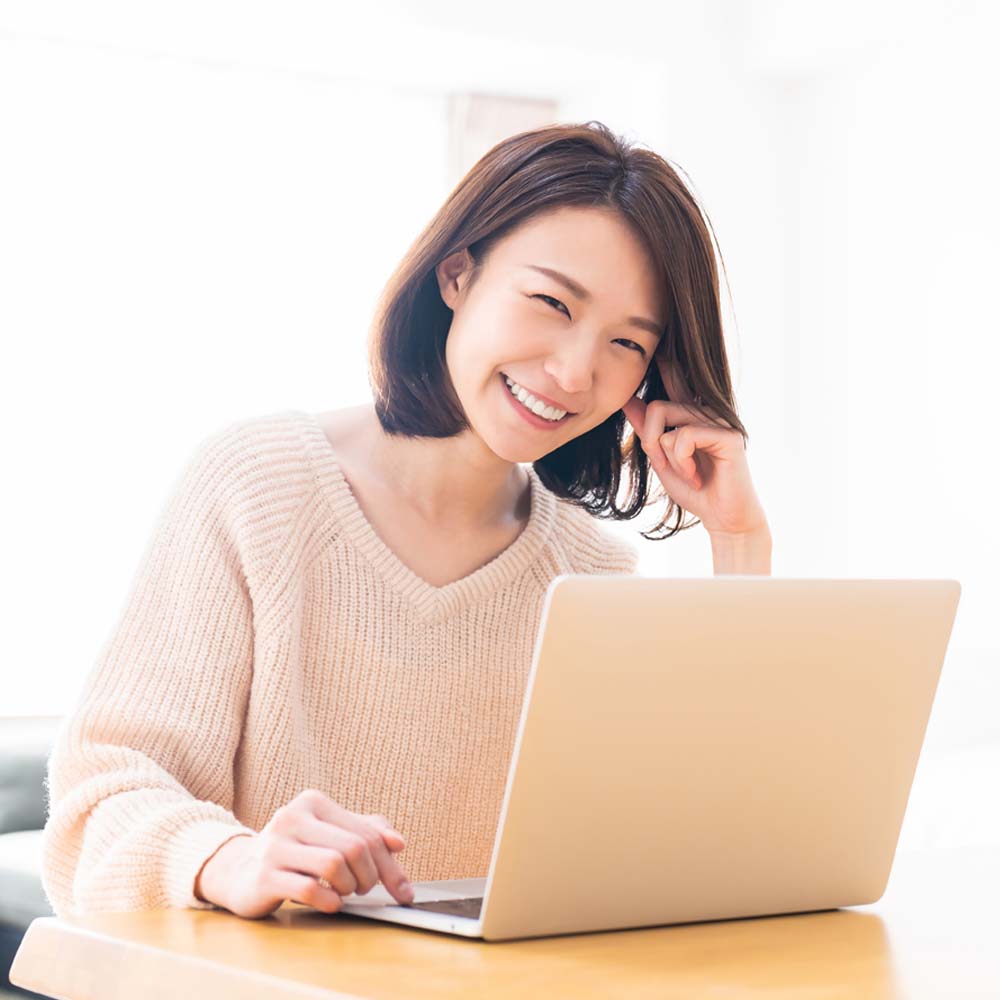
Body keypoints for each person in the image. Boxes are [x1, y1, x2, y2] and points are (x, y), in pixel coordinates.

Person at [40, 120, 771, 922]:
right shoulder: (258, 490)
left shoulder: (592, 577)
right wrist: (234, 857)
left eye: (627, 343)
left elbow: (699, 845)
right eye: (552, 301)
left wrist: (738, 544)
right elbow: (98, 804)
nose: (574, 372)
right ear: (458, 274)